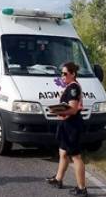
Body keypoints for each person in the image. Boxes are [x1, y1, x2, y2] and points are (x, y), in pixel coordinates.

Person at [46, 62, 88, 197]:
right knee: (63, 153)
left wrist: (57, 110)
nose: (62, 76)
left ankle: (82, 188)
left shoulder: (73, 88)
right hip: (66, 124)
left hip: (72, 125)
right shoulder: (70, 87)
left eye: (65, 73)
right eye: (61, 73)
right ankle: (58, 179)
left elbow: (73, 109)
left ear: (73, 74)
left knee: (76, 156)